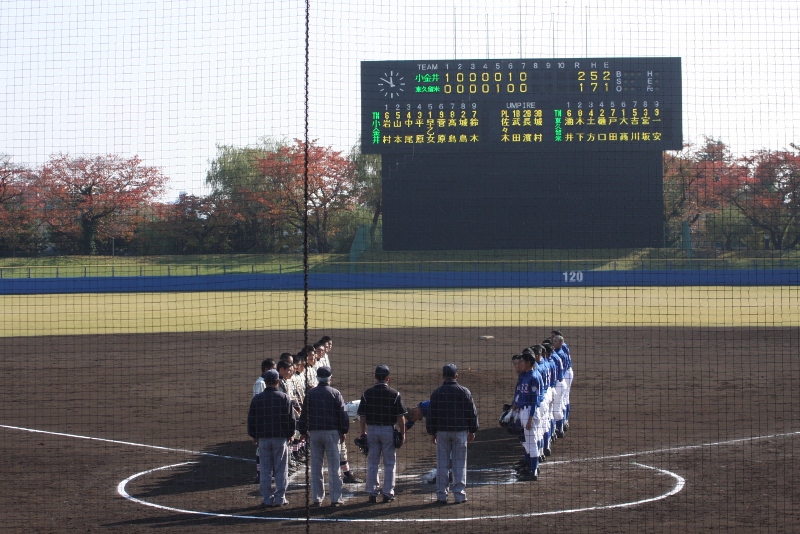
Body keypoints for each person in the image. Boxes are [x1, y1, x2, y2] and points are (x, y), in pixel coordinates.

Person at [426, 363, 479, 505]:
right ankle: (459, 495)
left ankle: (441, 496)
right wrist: (473, 430)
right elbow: (471, 413)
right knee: (459, 463)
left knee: (442, 463)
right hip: (460, 432)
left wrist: (432, 432)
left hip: (442, 432)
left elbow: (432, 415)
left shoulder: (437, 392)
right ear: (456, 375)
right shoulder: (464, 391)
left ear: (443, 376)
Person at [298, 366, 349, 507]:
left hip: (314, 434)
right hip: (332, 434)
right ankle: (335, 499)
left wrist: (303, 431)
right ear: (330, 378)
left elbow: (304, 415)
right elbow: (343, 415)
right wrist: (344, 430)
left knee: (315, 466)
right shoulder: (335, 393)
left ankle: (316, 498)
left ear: (317, 378)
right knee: (334, 467)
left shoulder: (310, 394)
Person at [357, 364, 407, 503]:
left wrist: (362, 432)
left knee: (372, 463)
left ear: (375, 377)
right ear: (388, 378)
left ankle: (372, 494)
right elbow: (400, 417)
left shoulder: (367, 393)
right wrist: (403, 433)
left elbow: (362, 416)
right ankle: (387, 494)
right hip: (388, 431)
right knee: (389, 463)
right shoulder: (394, 394)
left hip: (372, 430)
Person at [247, 369, 297, 507]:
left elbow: (252, 419)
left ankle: (267, 499)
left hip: (263, 439)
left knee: (265, 469)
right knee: (281, 469)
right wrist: (290, 434)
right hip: (280, 439)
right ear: (277, 381)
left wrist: (254, 435)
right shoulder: (284, 397)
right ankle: (280, 498)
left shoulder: (257, 399)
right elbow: (290, 419)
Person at [511, 352, 543, 481]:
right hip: (524, 411)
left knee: (532, 443)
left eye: (523, 362)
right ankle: (530, 469)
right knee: (528, 443)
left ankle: (533, 472)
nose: (521, 364)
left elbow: (535, 400)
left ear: (529, 363)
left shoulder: (534, 377)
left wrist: (530, 418)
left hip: (530, 411)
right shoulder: (525, 376)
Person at [252, 358, 276, 483]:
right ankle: (259, 474)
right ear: (267, 369)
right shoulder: (260, 383)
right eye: (274, 368)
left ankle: (267, 473)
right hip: (263, 421)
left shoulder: (265, 382)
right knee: (261, 449)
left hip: (268, 420)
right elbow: (258, 404)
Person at [551, 331, 574, 433]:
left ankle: (563, 423)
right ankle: (563, 422)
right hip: (565, 373)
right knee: (564, 399)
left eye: (554, 338)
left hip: (565, 374)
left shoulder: (561, 349)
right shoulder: (562, 347)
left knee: (563, 400)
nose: (552, 340)